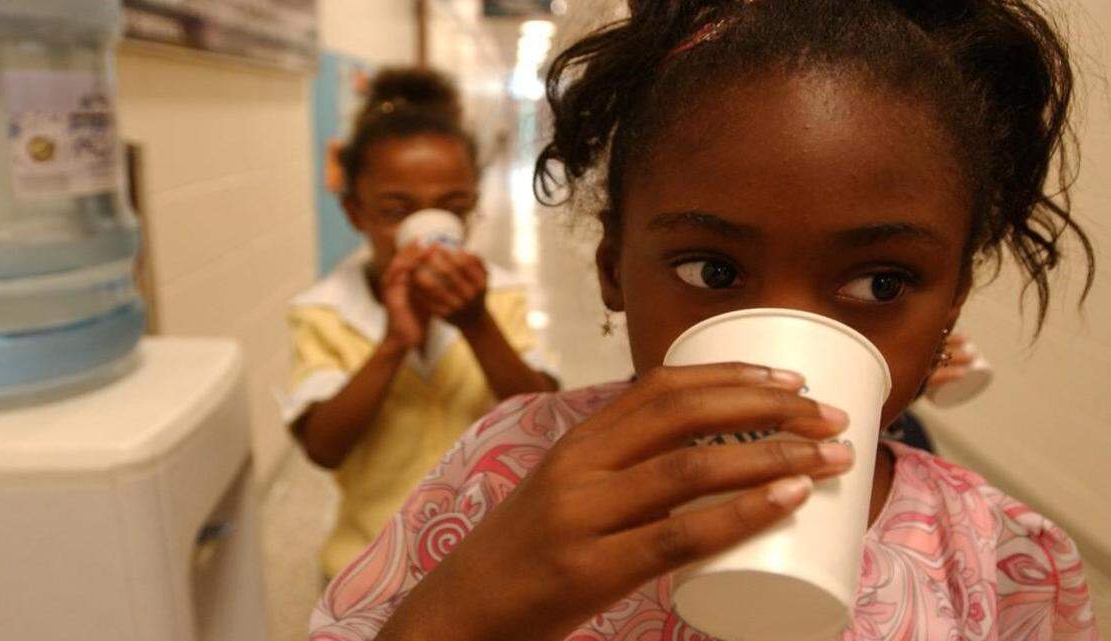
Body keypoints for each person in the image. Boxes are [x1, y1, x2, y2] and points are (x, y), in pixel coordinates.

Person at [310, 2, 1100, 639]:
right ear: (614, 264)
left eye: (881, 281)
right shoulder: (504, 477)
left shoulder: (1000, 561)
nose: (781, 365)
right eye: (713, 271)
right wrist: (461, 617)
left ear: (953, 303)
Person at [282, 68, 558, 580]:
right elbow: (322, 447)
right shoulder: (324, 311)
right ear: (354, 212)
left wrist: (478, 326)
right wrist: (394, 343)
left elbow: (542, 425)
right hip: (371, 567)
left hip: (492, 560)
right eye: (395, 211)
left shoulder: (501, 297)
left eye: (453, 208)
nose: (427, 232)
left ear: (474, 204)